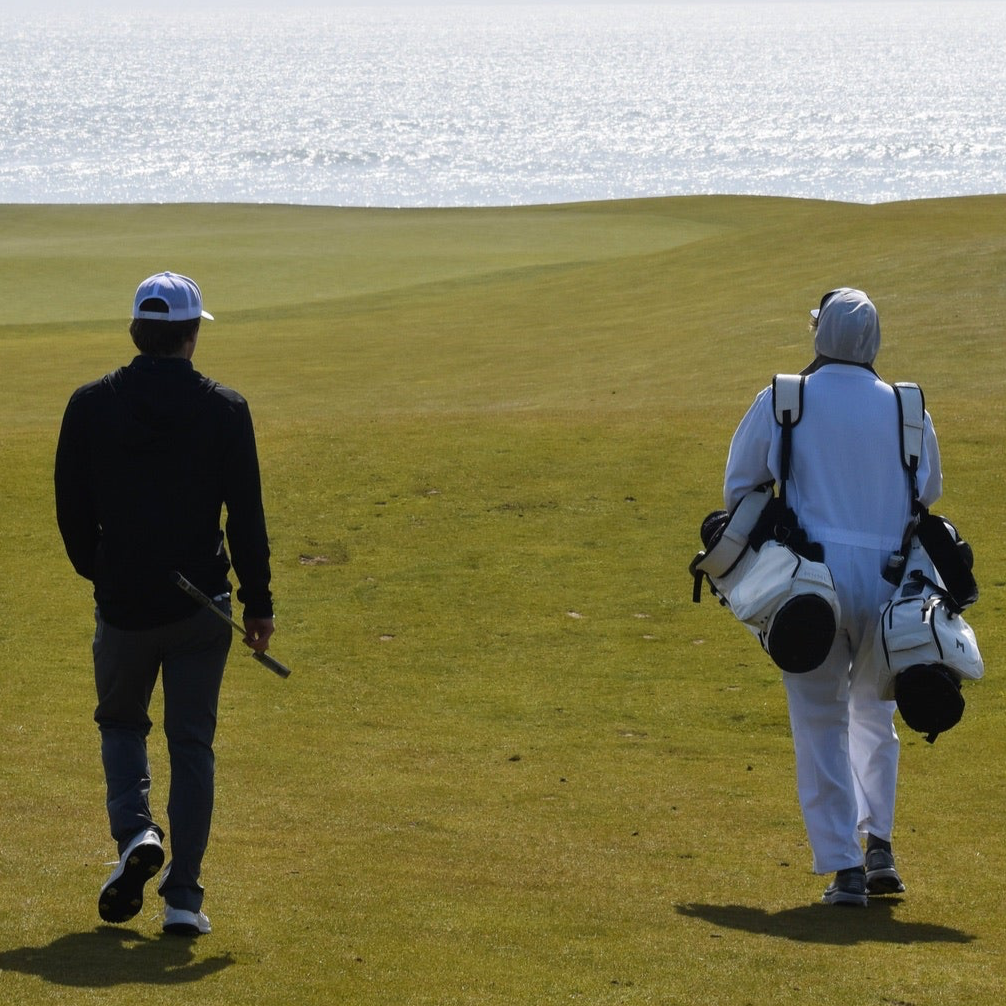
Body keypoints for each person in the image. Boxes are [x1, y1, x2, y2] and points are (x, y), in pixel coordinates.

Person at [55, 271, 276, 935]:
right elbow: (247, 516)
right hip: (200, 608)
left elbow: (72, 507)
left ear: (135, 332)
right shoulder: (224, 407)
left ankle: (134, 836)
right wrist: (258, 603)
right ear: (190, 335)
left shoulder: (90, 404)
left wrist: (100, 572)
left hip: (123, 605)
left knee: (123, 725)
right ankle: (184, 899)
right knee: (191, 745)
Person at [722, 287, 942, 907]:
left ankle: (844, 867)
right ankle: (880, 852)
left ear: (821, 336)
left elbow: (740, 486)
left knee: (820, 719)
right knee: (877, 716)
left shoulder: (784, 398)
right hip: (890, 582)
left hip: (811, 586)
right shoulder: (908, 407)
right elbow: (929, 489)